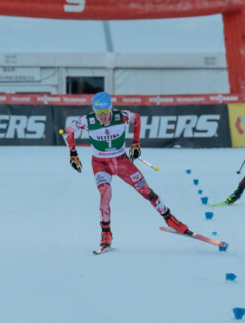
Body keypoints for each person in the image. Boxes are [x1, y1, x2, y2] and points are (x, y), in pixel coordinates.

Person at [64, 91, 192, 251]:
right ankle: (106, 234)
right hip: (100, 163)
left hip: (121, 161)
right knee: (105, 194)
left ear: (110, 109)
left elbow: (137, 118)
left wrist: (136, 144)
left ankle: (170, 219)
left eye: (105, 112)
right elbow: (69, 130)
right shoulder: (88, 121)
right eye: (99, 113)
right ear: (94, 111)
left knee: (145, 191)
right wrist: (73, 154)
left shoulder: (121, 117)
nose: (102, 116)